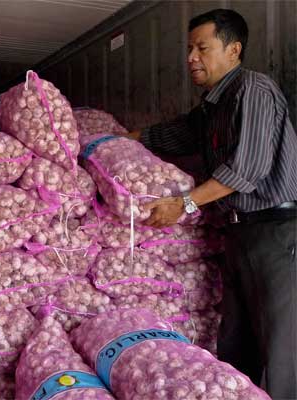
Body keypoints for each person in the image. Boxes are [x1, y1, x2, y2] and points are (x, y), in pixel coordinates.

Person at [125, 8, 296, 399]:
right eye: (188, 49)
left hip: (277, 233)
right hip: (239, 233)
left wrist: (183, 204)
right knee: (237, 341)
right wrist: (114, 140)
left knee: (281, 350)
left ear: (233, 50)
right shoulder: (211, 109)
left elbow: (247, 170)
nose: (191, 58)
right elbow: (169, 136)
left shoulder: (253, 89)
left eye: (202, 48)